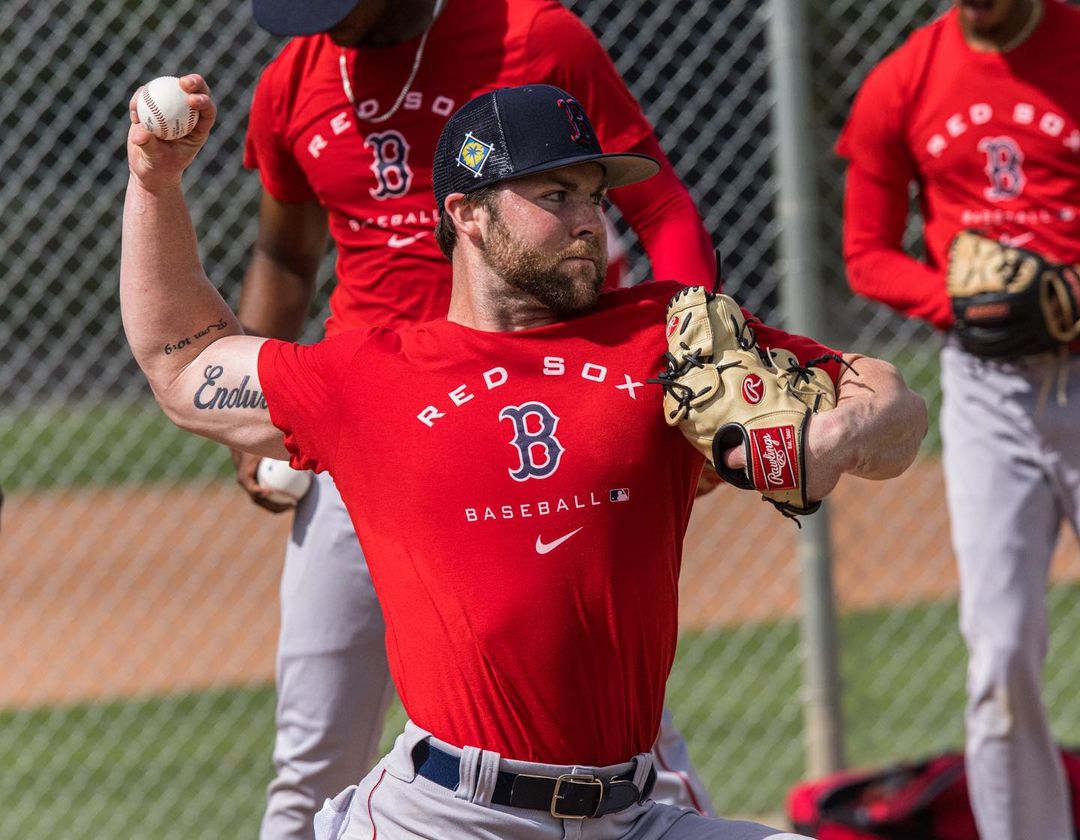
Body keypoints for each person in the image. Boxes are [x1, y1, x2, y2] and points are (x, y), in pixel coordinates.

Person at [123, 76, 926, 840]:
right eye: (555, 195)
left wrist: (837, 437)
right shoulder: (369, 374)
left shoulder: (667, 332)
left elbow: (893, 403)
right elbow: (181, 363)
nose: (590, 221)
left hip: (638, 815)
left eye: (595, 196)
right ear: (467, 214)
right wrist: (155, 185)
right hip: (443, 817)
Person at [239, 0, 718, 834]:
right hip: (368, 432)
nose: (323, 25)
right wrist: (259, 402)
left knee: (616, 743)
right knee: (309, 764)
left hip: (540, 419)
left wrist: (685, 353)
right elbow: (286, 252)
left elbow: (660, 205)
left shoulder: (532, 37)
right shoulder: (294, 79)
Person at [836, 1, 1080, 837]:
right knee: (1000, 657)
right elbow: (866, 254)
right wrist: (961, 304)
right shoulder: (902, 81)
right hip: (985, 390)